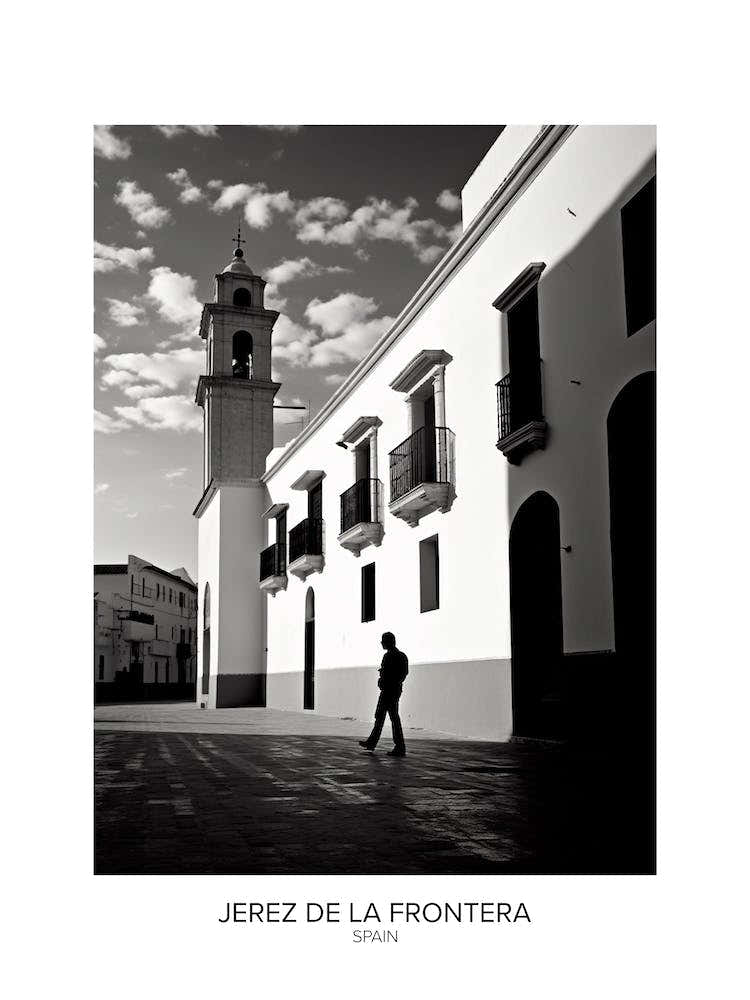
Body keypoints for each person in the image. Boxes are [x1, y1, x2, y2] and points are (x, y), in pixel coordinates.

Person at [359, 632, 408, 757]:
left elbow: (389, 674)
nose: (381, 643)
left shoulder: (389, 656)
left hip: (388, 691)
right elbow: (403, 673)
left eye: (383, 641)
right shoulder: (401, 656)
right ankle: (373, 742)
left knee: (385, 717)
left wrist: (386, 681)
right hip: (394, 690)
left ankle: (398, 746)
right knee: (388, 717)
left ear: (388, 642)